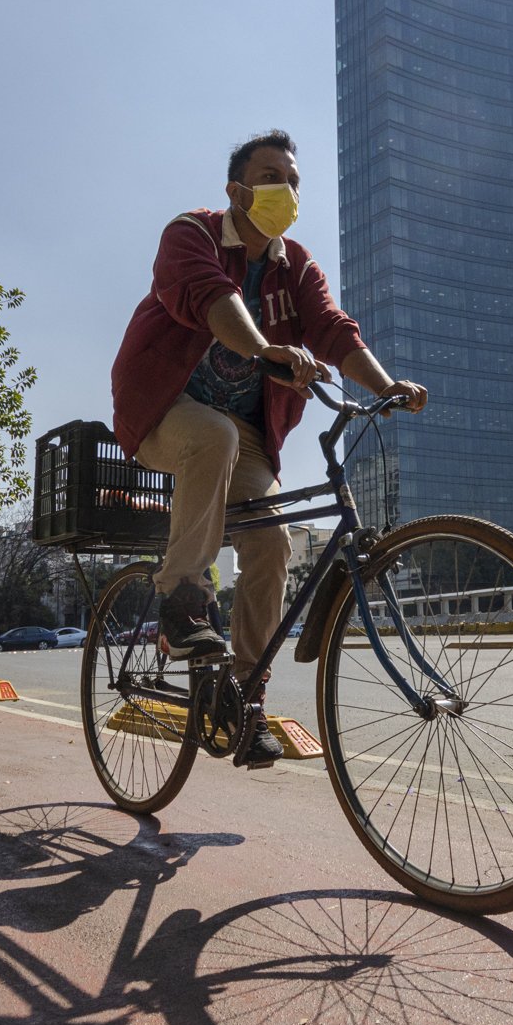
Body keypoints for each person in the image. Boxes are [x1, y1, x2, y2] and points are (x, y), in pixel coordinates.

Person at [110, 130, 426, 764]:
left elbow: (333, 330)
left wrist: (387, 385)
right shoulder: (192, 234)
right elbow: (214, 301)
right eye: (270, 175)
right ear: (237, 188)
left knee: (272, 540)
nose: (286, 189)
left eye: (294, 179)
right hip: (164, 410)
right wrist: (264, 350)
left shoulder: (296, 265)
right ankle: (182, 599)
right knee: (213, 434)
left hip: (245, 434)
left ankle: (245, 693)